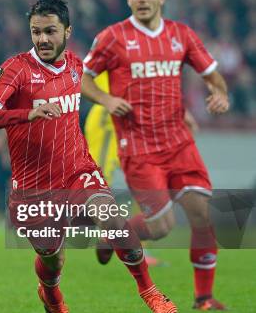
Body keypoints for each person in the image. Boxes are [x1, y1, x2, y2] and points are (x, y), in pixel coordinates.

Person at [0, 0, 177, 313]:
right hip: (33, 189)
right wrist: (27, 113)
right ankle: (50, 294)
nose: (42, 39)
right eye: (36, 32)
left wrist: (118, 102)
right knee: (53, 257)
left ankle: (149, 291)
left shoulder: (75, 66)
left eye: (50, 31)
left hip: (78, 172)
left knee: (112, 219)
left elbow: (84, 88)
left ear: (68, 31)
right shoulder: (16, 69)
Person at [81, 0, 229, 311]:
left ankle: (203, 297)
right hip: (139, 149)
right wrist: (105, 100)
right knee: (161, 227)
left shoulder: (181, 35)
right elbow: (84, 79)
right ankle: (114, 235)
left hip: (179, 142)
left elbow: (213, 76)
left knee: (202, 215)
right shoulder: (112, 37)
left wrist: (220, 95)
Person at [84, 71, 199, 267]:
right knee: (96, 184)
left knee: (148, 182)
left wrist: (178, 109)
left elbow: (153, 81)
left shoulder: (150, 48)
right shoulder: (112, 42)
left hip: (135, 118)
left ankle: (132, 244)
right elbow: (86, 76)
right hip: (109, 116)